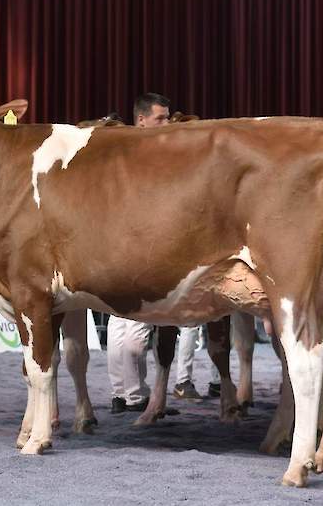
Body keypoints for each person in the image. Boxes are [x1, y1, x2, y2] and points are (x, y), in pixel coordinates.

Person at [106, 93, 203, 413]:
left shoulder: (121, 149)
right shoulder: (142, 153)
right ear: (141, 120)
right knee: (135, 324)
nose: (167, 124)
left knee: (120, 322)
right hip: (139, 245)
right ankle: (134, 395)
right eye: (160, 118)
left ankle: (122, 393)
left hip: (118, 241)